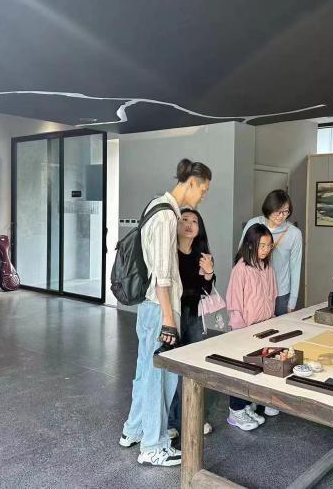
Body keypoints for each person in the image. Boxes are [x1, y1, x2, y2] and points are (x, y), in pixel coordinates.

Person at [119, 158, 211, 468]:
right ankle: (153, 446)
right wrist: (170, 319)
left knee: (146, 373)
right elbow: (162, 275)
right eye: (203, 190)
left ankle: (133, 430)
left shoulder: (157, 206)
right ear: (192, 183)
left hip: (152, 308)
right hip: (161, 308)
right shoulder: (166, 215)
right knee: (159, 379)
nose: (202, 197)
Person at [167, 209, 215, 438]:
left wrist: (209, 273)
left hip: (193, 315)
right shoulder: (169, 253)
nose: (189, 224)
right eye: (184, 220)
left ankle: (195, 416)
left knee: (193, 367)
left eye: (194, 221)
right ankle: (171, 421)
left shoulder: (201, 255)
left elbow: (206, 290)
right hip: (173, 315)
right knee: (171, 370)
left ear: (199, 228)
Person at [225, 223, 278, 430]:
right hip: (244, 330)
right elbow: (235, 303)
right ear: (250, 245)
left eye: (268, 245)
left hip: (264, 328)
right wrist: (240, 333)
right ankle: (235, 411)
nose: (265, 250)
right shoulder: (241, 269)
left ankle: (247, 405)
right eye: (261, 245)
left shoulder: (267, 268)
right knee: (241, 370)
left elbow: (271, 296)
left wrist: (272, 322)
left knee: (256, 368)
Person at [241, 190, 302, 316]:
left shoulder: (294, 233)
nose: (281, 216)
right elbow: (242, 255)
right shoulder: (254, 224)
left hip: (281, 293)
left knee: (281, 327)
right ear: (269, 208)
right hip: (254, 290)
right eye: (277, 211)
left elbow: (295, 267)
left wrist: (292, 301)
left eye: (285, 211)